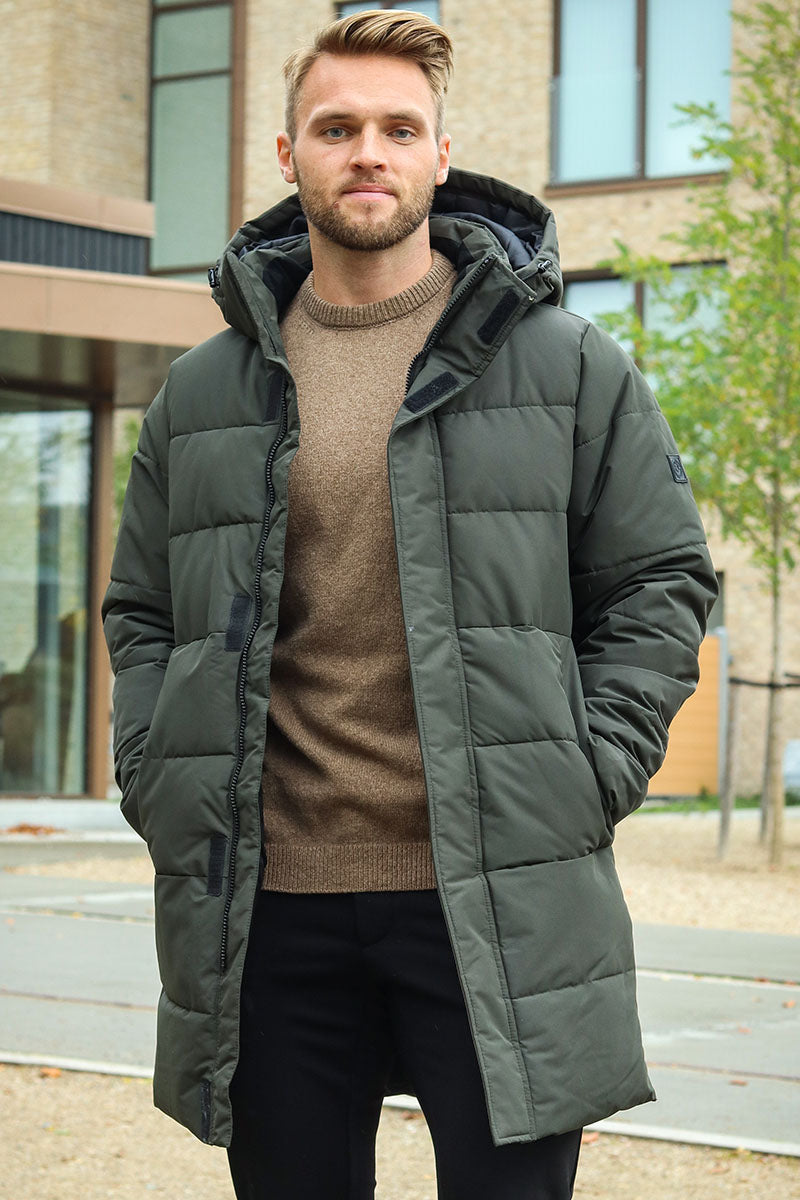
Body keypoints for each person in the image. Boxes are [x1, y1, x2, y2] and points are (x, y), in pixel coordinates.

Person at [103, 9, 717, 1199]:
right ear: (288, 155)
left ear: (441, 153)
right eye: (336, 128)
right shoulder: (201, 392)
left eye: (397, 128)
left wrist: (585, 771)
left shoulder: (565, 363)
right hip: (268, 912)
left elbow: (657, 581)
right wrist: (155, 773)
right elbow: (141, 612)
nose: (366, 153)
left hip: (495, 895)